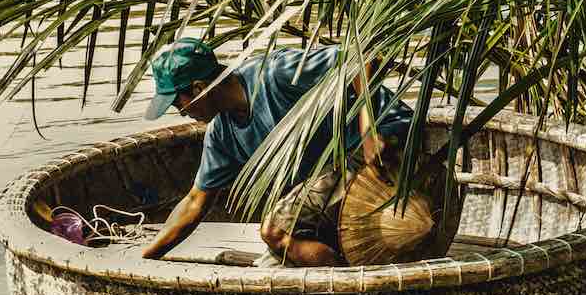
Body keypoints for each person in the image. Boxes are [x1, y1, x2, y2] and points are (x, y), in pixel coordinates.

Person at [139, 38, 412, 265]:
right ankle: (345, 268)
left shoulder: (275, 73)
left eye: (178, 103)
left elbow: (360, 57)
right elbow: (195, 201)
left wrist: (369, 130)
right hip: (333, 178)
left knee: (275, 230)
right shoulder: (221, 134)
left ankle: (354, 286)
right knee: (272, 263)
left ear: (199, 89)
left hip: (386, 139)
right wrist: (147, 256)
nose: (181, 113)